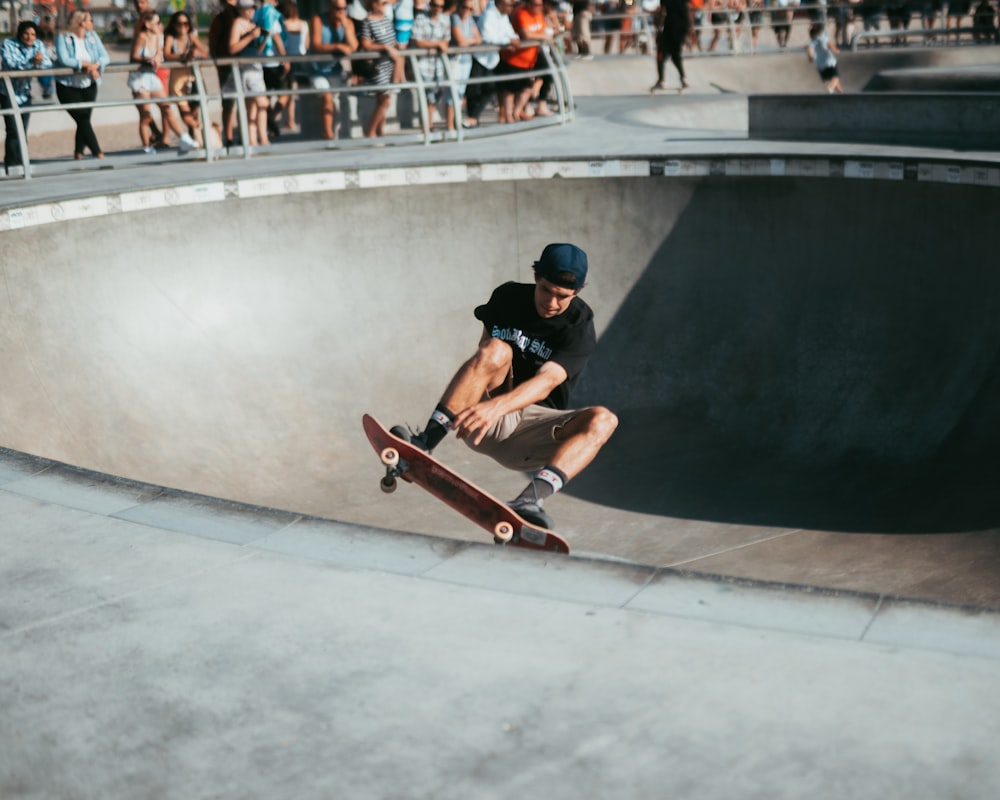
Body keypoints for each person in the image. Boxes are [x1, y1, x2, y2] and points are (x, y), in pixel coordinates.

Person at [392, 243, 618, 529]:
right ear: (536, 276)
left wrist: (496, 407)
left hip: (533, 432)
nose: (551, 302)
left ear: (577, 292)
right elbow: (484, 358)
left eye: (562, 297)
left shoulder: (579, 326)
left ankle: (531, 500)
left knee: (604, 420)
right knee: (496, 349)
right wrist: (488, 403)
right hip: (485, 420)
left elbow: (547, 382)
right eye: (546, 290)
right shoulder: (506, 297)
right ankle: (425, 444)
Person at [129, 11, 197, 154]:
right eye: (157, 22)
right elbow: (134, 56)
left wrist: (158, 59)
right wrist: (146, 59)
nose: (160, 25)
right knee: (145, 115)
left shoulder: (159, 37)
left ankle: (184, 138)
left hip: (151, 76)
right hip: (139, 77)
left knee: (166, 107)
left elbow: (160, 53)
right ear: (148, 24)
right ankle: (147, 147)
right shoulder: (142, 36)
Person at [55, 10, 110, 160]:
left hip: (89, 84)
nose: (92, 23)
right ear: (81, 22)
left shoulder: (92, 37)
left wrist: (96, 65)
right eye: (90, 20)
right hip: (67, 85)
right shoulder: (63, 37)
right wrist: (85, 65)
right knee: (82, 118)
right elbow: (64, 59)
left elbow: (105, 56)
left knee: (84, 118)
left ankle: (78, 152)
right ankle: (98, 152)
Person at [2, 21, 52, 173]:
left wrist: (39, 61)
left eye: (33, 34)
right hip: (7, 92)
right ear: (20, 33)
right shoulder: (8, 43)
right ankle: (11, 163)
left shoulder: (38, 45)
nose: (29, 37)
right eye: (26, 34)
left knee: (22, 130)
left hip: (25, 93)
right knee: (12, 130)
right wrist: (32, 61)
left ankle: (22, 161)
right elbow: (11, 63)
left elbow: (47, 63)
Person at [466, 0, 520, 126]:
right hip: (480, 58)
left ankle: (474, 117)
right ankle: (472, 117)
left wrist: (514, 39)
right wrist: (508, 41)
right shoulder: (488, 15)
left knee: (490, 89)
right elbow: (487, 37)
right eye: (509, 5)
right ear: (500, 4)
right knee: (474, 89)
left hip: (491, 60)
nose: (511, 7)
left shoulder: (504, 16)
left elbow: (510, 33)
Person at [226, 0, 272, 146]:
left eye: (252, 8)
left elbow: (256, 50)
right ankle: (263, 139)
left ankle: (253, 140)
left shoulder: (253, 24)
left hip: (256, 67)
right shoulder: (238, 24)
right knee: (262, 103)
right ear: (240, 9)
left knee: (252, 107)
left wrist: (263, 37)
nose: (250, 11)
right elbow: (232, 48)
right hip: (246, 69)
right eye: (247, 8)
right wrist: (250, 36)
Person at [311, 0, 358, 140]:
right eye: (338, 8)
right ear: (329, 7)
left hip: (334, 70)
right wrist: (337, 47)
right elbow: (316, 45)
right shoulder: (318, 19)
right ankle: (328, 135)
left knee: (336, 104)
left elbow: (354, 46)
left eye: (344, 8)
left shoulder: (347, 22)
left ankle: (334, 133)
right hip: (316, 69)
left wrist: (345, 25)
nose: (341, 11)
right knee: (326, 98)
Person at [358, 0, 405, 138]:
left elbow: (391, 39)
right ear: (374, 4)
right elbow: (366, 44)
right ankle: (371, 131)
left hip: (390, 64)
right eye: (382, 3)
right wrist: (384, 47)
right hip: (377, 66)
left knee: (383, 99)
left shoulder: (386, 20)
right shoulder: (367, 22)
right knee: (385, 100)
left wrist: (397, 45)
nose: (385, 6)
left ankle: (380, 131)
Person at [164, 11, 208, 147]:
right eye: (179, 23)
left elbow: (205, 53)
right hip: (178, 82)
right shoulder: (171, 38)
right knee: (185, 114)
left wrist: (195, 54)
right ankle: (202, 130)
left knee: (194, 113)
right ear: (174, 25)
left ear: (189, 25)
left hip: (193, 79)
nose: (182, 26)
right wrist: (183, 56)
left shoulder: (191, 37)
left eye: (185, 23)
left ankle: (197, 141)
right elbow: (166, 55)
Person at [411, 0, 451, 132]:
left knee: (435, 96)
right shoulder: (421, 18)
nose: (438, 8)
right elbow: (418, 41)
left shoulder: (445, 19)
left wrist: (439, 44)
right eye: (435, 5)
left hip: (438, 65)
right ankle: (427, 126)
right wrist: (437, 45)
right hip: (423, 64)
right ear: (430, 5)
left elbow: (446, 40)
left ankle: (429, 124)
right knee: (428, 96)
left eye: (441, 6)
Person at [255, 0, 290, 138]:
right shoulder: (271, 13)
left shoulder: (257, 13)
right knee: (284, 94)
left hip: (260, 63)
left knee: (266, 97)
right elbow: (275, 36)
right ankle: (271, 120)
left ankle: (269, 123)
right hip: (273, 62)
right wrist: (285, 59)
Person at [449, 0, 482, 131]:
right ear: (458, 6)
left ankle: (456, 122)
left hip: (466, 60)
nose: (467, 11)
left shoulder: (470, 20)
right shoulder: (454, 18)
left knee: (461, 92)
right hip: (455, 60)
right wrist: (471, 41)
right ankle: (450, 126)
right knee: (452, 93)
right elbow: (460, 41)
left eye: (470, 9)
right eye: (464, 7)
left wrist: (469, 41)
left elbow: (479, 39)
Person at [280, 0, 310, 129]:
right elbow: (306, 44)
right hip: (301, 59)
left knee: (289, 93)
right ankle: (302, 120)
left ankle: (290, 120)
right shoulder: (303, 24)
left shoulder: (283, 24)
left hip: (287, 60)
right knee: (303, 92)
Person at [651, 0, 690, 92]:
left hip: (669, 29)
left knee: (660, 54)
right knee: (675, 55)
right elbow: (687, 11)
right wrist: (687, 32)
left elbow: (663, 13)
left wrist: (659, 29)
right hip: (681, 29)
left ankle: (661, 81)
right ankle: (683, 78)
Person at [807, 21, 844, 93]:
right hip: (830, 62)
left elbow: (810, 52)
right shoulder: (823, 38)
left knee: (833, 80)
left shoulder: (811, 42)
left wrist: (810, 58)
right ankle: (830, 88)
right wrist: (836, 50)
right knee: (835, 78)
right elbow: (830, 45)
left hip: (821, 66)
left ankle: (841, 93)